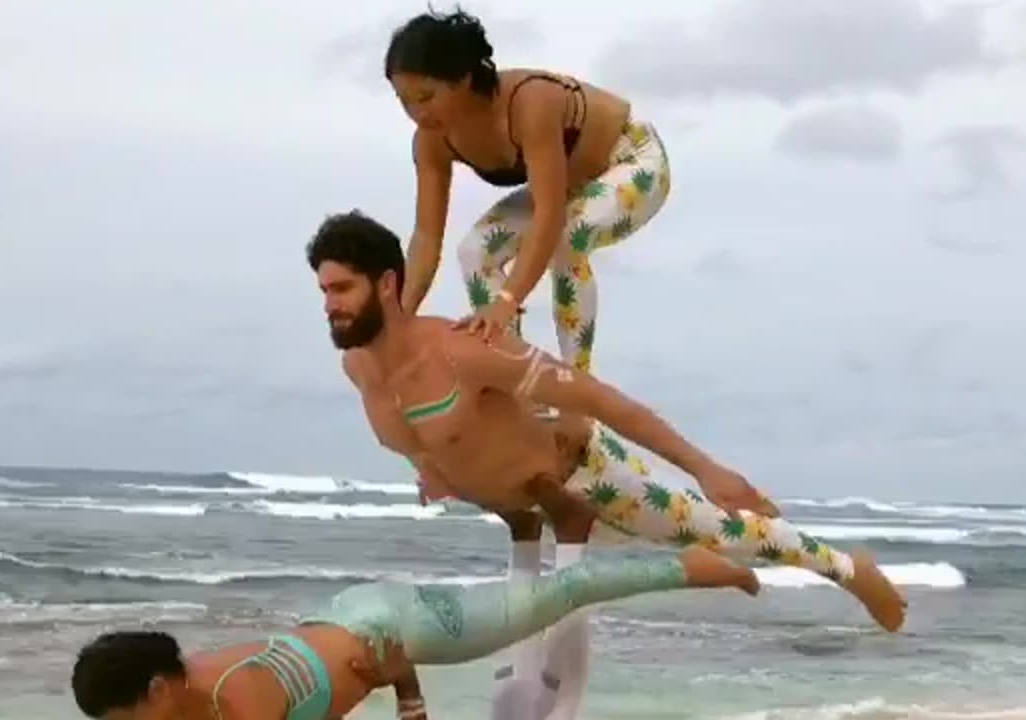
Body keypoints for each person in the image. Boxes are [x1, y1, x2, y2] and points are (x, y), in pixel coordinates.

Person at [306, 210, 908, 720]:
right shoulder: (358, 369)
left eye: (341, 289)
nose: (329, 305)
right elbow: (420, 437)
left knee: (726, 532)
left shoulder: (464, 352)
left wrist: (705, 467)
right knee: (532, 684)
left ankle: (849, 569)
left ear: (386, 284)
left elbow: (598, 399)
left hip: (585, 478)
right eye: (324, 291)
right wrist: (432, 469)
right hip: (537, 509)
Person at [69, 546, 758, 720]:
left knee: (556, 595)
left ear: (157, 691)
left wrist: (404, 683)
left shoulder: (240, 702)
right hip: (341, 611)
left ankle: (699, 568)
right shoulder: (191, 690)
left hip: (393, 628)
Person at [384, 8, 673, 374]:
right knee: (475, 250)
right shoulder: (430, 142)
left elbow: (549, 215)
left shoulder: (529, 102)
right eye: (404, 100)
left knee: (568, 237)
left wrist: (507, 300)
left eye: (426, 97)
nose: (416, 113)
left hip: (632, 161)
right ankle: (515, 373)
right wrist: (397, 322)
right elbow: (426, 238)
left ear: (463, 79)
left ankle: (577, 382)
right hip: (572, 185)